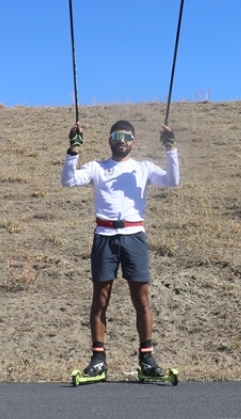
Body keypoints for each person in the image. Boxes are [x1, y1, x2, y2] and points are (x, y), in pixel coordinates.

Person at [61, 119, 180, 380]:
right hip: (104, 236)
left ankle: (147, 358)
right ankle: (98, 359)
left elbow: (172, 180)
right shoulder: (97, 167)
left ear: (133, 142)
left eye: (127, 136)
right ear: (110, 140)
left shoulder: (143, 168)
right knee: (100, 300)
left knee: (142, 299)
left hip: (134, 235)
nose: (122, 139)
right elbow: (68, 181)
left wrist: (170, 149)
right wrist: (73, 150)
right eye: (117, 135)